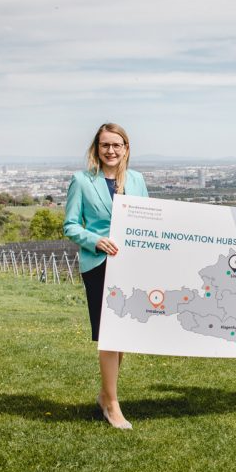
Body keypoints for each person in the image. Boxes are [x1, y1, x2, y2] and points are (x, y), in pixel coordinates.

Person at [63, 122, 148, 430]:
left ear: (126, 148)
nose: (111, 150)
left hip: (130, 266)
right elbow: (70, 225)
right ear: (96, 149)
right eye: (105, 145)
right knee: (109, 335)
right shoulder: (82, 181)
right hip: (99, 265)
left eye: (117, 145)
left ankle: (104, 395)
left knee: (121, 334)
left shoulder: (137, 180)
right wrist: (93, 240)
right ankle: (112, 405)